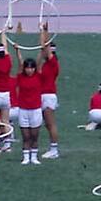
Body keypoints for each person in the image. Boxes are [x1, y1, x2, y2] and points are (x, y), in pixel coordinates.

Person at [11, 47, 45, 165]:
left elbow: (39, 61)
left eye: (31, 68)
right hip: (23, 109)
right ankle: (26, 157)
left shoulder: (38, 77)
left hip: (35, 109)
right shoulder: (20, 77)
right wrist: (17, 51)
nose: (29, 70)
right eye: (27, 68)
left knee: (34, 135)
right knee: (25, 135)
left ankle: (34, 156)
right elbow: (20, 63)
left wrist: (42, 50)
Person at [39, 26, 61, 160]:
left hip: (48, 96)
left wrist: (45, 32)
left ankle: (54, 149)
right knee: (48, 124)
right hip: (43, 95)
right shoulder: (46, 64)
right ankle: (53, 148)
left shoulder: (53, 63)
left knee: (51, 123)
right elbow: (43, 48)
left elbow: (45, 46)